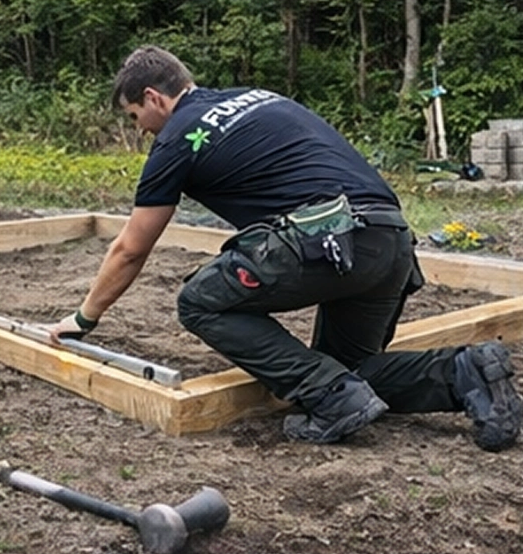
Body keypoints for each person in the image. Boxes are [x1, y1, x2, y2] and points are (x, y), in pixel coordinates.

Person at [50, 45, 523, 451]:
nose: (140, 130)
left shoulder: (176, 139)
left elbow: (131, 248)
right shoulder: (256, 97)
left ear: (154, 98)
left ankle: (333, 396)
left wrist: (84, 318)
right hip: (390, 239)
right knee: (347, 366)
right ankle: (466, 372)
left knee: (199, 302)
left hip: (324, 238)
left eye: (136, 117)